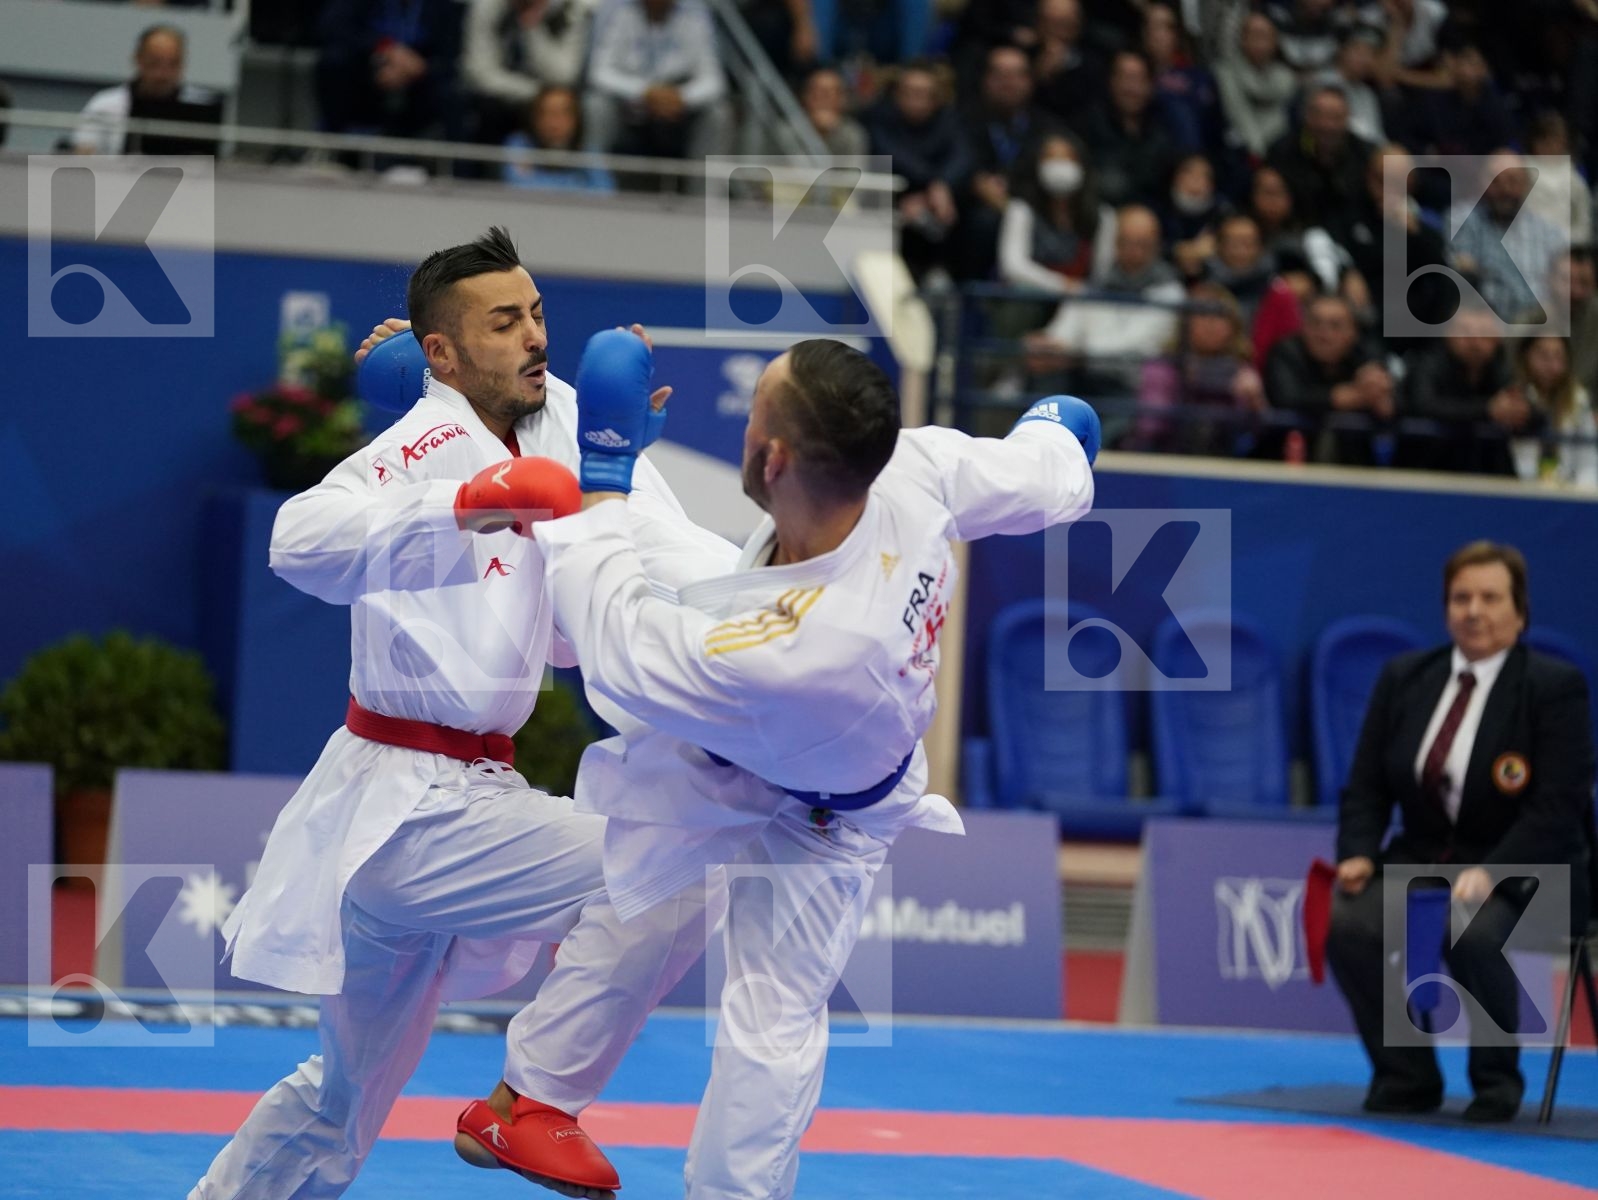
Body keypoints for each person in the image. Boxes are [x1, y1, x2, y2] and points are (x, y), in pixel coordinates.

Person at [455, 333, 1100, 1200]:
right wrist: (1062, 430)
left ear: (775, 457)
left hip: (824, 812)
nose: (744, 423)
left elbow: (614, 638)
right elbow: (1041, 472)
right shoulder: (909, 467)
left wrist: (609, 462)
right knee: (651, 892)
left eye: (755, 410)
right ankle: (530, 1102)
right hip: (765, 675)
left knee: (769, 1022)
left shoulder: (788, 651)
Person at [189, 228, 709, 1200]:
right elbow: (298, 541)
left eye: (538, 314)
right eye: (503, 322)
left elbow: (574, 631)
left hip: (456, 801)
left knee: (335, 1107)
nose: (533, 338)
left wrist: (619, 466)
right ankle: (533, 1103)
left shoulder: (556, 419)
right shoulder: (423, 446)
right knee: (672, 866)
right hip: (410, 805)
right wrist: (464, 502)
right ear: (442, 351)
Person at [1327, 541, 1595, 1123]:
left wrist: (1493, 869)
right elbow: (1367, 785)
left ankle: (1497, 1082)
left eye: (1491, 598)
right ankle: (1406, 1075)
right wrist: (1357, 854)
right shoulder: (1406, 679)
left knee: (1468, 925)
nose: (1474, 610)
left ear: (1519, 612)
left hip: (1531, 874)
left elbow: (1559, 806)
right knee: (1348, 922)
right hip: (1423, 861)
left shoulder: (1554, 688)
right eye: (1461, 597)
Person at [583, 0, 732, 176]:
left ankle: (707, 199)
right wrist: (644, 92)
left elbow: (714, 81)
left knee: (718, 114)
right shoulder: (616, 9)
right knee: (596, 106)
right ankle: (593, 186)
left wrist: (682, 97)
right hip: (628, 110)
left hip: (678, 113)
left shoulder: (696, 12)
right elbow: (598, 72)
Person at [1401, 305, 1541, 476]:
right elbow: (1422, 405)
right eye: (1466, 332)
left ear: (1497, 339)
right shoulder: (1426, 364)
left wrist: (1522, 411)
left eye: (1484, 334)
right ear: (1448, 334)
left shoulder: (1501, 371)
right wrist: (1487, 409)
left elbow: (1536, 415)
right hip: (1429, 471)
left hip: (1489, 476)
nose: (1475, 342)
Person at [1262, 292, 1394, 464]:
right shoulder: (1285, 351)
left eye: (1335, 326)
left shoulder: (1367, 355)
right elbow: (1286, 397)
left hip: (1355, 470)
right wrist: (1342, 397)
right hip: (1280, 465)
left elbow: (1395, 400)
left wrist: (1385, 401)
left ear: (1353, 331)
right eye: (1315, 323)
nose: (1324, 334)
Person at [72, 25, 220, 155]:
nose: (163, 74)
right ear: (138, 59)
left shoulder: (202, 106)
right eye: (154, 63)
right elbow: (84, 155)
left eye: (173, 64)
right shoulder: (104, 104)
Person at [1512, 335, 1598, 488]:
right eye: (1543, 356)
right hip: (1521, 489)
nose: (1552, 366)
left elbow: (1588, 461)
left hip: (1569, 491)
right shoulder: (1513, 399)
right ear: (1526, 356)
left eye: (1559, 357)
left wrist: (1582, 495)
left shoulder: (1579, 400)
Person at [1215, 11, 1298, 159]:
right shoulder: (1225, 73)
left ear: (1275, 41)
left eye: (1265, 35)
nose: (1260, 42)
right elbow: (1237, 113)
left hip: (1281, 150)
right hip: (1237, 151)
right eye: (1254, 35)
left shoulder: (1286, 78)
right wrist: (1257, 152)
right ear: (1242, 39)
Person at [503, 85, 616, 192]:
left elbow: (605, 191)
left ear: (576, 119)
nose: (554, 123)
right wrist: (575, 186)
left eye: (562, 113)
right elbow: (519, 187)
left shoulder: (588, 150)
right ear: (534, 118)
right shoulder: (520, 144)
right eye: (547, 113)